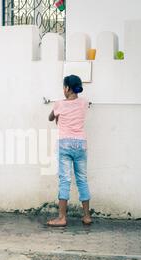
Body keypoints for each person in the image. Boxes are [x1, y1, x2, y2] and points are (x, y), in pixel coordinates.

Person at [47, 75, 92, 227]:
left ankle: (61, 218)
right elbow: (84, 105)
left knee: (65, 180)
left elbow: (50, 117)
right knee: (82, 180)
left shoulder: (59, 104)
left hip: (64, 144)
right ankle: (86, 216)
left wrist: (57, 115)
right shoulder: (84, 103)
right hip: (81, 144)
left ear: (67, 88)